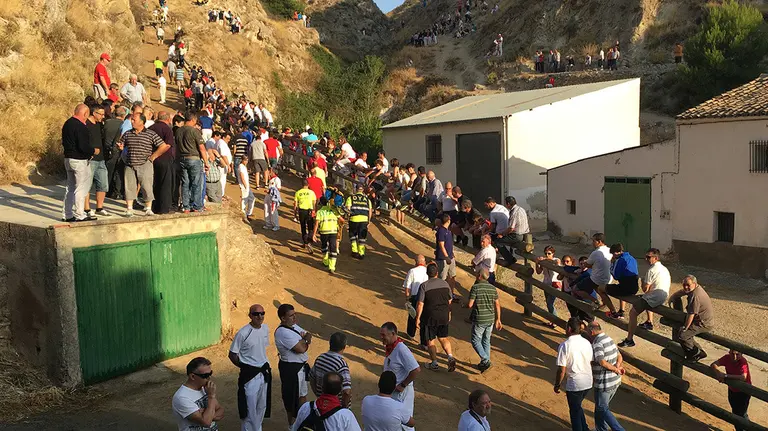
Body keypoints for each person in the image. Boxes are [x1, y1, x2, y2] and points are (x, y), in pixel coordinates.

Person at [229, 304, 272, 431]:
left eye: (262, 313)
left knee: (261, 406)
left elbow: (261, 349)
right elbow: (232, 354)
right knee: (248, 408)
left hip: (263, 373)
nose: (259, 316)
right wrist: (245, 366)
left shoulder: (265, 329)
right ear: (250, 316)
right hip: (249, 376)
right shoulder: (243, 333)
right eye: (256, 314)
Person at [118, 112, 168, 217]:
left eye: (134, 120)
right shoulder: (128, 133)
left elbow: (163, 145)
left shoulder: (150, 134)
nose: (132, 122)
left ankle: (148, 208)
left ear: (141, 122)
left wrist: (153, 156)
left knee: (146, 186)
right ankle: (129, 209)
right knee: (129, 186)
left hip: (145, 163)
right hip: (130, 164)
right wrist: (120, 147)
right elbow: (122, 143)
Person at [619, 248, 671, 348]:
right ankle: (649, 321)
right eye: (646, 257)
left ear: (655, 258)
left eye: (648, 257)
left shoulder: (651, 270)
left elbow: (645, 289)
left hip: (654, 297)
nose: (646, 259)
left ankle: (629, 339)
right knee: (644, 298)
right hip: (663, 296)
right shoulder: (664, 269)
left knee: (632, 312)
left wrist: (642, 281)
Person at [275, 304, 313, 427]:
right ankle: (292, 426)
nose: (294, 317)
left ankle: (301, 425)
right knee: (291, 401)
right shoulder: (282, 333)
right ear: (283, 318)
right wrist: (305, 341)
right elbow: (301, 348)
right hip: (291, 370)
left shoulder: (293, 326)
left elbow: (308, 335)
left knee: (302, 395)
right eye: (291, 315)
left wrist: (305, 340)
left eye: (294, 314)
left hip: (299, 368)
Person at [554, 317, 593, 431]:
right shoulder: (586, 342)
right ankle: (585, 428)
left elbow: (561, 369)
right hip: (587, 381)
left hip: (575, 384)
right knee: (577, 406)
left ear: (569, 329)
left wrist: (557, 384)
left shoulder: (565, 345)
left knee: (574, 412)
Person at [416, 262, 456, 372]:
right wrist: (449, 313)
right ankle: (450, 356)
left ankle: (434, 363)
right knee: (443, 338)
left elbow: (420, 304)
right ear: (437, 273)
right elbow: (449, 300)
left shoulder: (424, 286)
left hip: (430, 317)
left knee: (430, 340)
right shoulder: (445, 284)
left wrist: (418, 318)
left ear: (427, 273)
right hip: (443, 315)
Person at [62, 104, 99, 222]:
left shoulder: (67, 123)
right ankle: (80, 214)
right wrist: (94, 151)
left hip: (68, 158)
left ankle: (67, 214)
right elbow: (83, 146)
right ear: (85, 114)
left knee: (70, 187)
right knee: (81, 188)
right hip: (79, 160)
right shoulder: (80, 126)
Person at [380, 322, 420, 431]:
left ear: (393, 334)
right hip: (393, 392)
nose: (381, 337)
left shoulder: (402, 349)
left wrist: (403, 385)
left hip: (402, 393)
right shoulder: (391, 347)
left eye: (384, 335)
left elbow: (416, 369)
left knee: (405, 424)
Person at [587, 320, 625, 431]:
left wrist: (615, 369)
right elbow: (619, 356)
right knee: (600, 407)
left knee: (602, 408)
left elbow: (602, 362)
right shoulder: (608, 338)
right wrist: (617, 367)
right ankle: (600, 429)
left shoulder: (597, 343)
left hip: (604, 383)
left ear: (592, 331)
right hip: (615, 381)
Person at [292, 372, 361, 431]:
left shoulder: (305, 407)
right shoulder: (345, 415)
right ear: (340, 390)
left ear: (322, 387)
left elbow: (295, 429)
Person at [667, 275, 714, 361]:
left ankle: (695, 354)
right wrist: (673, 297)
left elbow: (691, 314)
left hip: (703, 323)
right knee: (685, 333)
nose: (685, 287)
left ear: (695, 284)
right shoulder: (695, 288)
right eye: (684, 284)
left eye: (688, 285)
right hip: (703, 320)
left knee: (683, 335)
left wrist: (685, 327)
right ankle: (698, 351)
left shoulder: (695, 296)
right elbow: (683, 291)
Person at [172, 357, 224, 430]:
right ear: (192, 376)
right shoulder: (182, 397)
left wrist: (208, 415)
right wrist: (211, 397)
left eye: (210, 373)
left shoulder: (205, 388)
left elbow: (221, 410)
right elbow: (206, 423)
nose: (209, 378)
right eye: (205, 376)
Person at [467, 268, 501, 372]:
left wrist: (465, 304)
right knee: (486, 340)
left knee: (475, 340)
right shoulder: (492, 288)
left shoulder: (475, 288)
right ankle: (485, 361)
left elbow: (470, 304)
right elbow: (497, 304)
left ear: (479, 276)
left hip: (480, 318)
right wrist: (498, 319)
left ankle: (485, 359)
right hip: (490, 318)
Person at [175, 112, 209, 213]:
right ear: (193, 120)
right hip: (194, 158)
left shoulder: (178, 131)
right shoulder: (194, 131)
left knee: (185, 183)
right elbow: (202, 148)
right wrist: (206, 162)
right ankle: (197, 206)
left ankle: (186, 206)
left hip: (182, 158)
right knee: (196, 183)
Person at [711, 349, 752, 428]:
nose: (735, 357)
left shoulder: (743, 361)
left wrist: (725, 376)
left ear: (741, 354)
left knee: (742, 414)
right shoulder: (727, 358)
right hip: (732, 389)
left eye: (737, 355)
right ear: (729, 352)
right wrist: (719, 373)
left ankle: (748, 428)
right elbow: (713, 364)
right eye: (733, 354)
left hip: (744, 391)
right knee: (735, 412)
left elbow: (743, 377)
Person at [310, 332, 353, 408]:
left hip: (322, 404)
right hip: (336, 407)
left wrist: (319, 396)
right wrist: (343, 407)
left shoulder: (320, 358)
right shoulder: (341, 364)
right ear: (344, 346)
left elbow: (311, 378)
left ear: (330, 343)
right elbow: (347, 392)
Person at [599, 243, 639, 318]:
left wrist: (612, 264)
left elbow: (616, 276)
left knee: (600, 288)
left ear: (617, 252)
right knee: (619, 286)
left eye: (613, 254)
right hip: (635, 287)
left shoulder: (620, 260)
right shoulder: (632, 258)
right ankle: (621, 310)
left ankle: (613, 312)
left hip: (626, 288)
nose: (613, 256)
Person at [83, 104, 109, 217]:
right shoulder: (85, 125)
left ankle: (99, 207)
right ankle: (86, 208)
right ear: (94, 113)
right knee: (87, 185)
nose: (102, 116)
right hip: (90, 159)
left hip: (101, 159)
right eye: (101, 114)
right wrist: (90, 152)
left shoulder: (100, 125)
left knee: (103, 184)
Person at [148, 111, 175, 214]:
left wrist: (152, 156)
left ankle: (153, 207)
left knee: (154, 183)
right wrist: (156, 155)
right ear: (168, 119)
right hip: (163, 159)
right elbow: (167, 145)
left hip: (151, 160)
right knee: (165, 185)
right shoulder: (167, 129)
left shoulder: (151, 128)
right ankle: (163, 209)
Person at [573, 233, 612, 305]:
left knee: (576, 289)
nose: (592, 243)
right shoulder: (610, 251)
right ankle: (612, 310)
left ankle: (595, 301)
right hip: (608, 278)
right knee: (600, 291)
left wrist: (587, 264)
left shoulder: (596, 252)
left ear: (599, 242)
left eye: (594, 241)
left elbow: (587, 264)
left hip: (597, 278)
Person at [313, 196, 344, 274]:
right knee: (333, 248)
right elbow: (342, 220)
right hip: (333, 231)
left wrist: (314, 234)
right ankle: (332, 267)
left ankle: (325, 260)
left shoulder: (320, 212)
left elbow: (316, 224)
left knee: (324, 246)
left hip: (324, 231)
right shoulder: (334, 210)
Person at [403, 255, 429, 339]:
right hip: (426, 297)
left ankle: (410, 334)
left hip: (415, 297)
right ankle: (424, 340)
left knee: (412, 316)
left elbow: (407, 286)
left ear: (416, 262)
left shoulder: (412, 271)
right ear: (424, 262)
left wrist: (407, 298)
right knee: (424, 318)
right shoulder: (428, 271)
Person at [536, 245, 562, 328]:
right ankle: (552, 320)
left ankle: (555, 321)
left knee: (550, 303)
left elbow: (557, 262)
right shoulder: (544, 261)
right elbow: (538, 271)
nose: (547, 255)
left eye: (549, 253)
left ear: (553, 253)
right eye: (546, 253)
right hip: (546, 283)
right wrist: (537, 263)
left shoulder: (556, 259)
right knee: (548, 303)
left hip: (554, 284)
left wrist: (543, 260)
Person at [346, 184, 373, 259]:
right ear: (363, 190)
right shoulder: (367, 200)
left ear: (356, 189)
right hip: (364, 219)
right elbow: (370, 211)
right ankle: (361, 253)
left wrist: (348, 218)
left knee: (352, 234)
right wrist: (368, 221)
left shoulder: (350, 198)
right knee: (362, 237)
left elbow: (348, 210)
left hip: (354, 219)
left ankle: (354, 251)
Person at [435, 213, 458, 298]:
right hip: (443, 258)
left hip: (450, 257)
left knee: (452, 276)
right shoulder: (441, 231)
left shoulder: (447, 231)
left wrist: (451, 254)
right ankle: (441, 296)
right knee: (443, 277)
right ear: (448, 220)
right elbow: (441, 245)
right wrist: (446, 256)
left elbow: (447, 245)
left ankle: (451, 294)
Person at [294, 179, 317, 253]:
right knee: (310, 227)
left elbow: (295, 205)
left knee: (303, 227)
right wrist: (314, 210)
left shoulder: (298, 192)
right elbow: (314, 203)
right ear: (308, 185)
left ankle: (305, 242)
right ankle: (309, 242)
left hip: (302, 211)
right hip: (310, 210)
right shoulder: (311, 192)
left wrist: (295, 214)